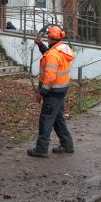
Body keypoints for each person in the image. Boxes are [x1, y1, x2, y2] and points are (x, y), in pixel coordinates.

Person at [27, 25, 75, 158]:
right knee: (58, 118)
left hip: (53, 92)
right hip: (61, 90)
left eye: (47, 37)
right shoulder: (62, 48)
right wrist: (40, 45)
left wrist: (41, 93)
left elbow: (50, 77)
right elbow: (48, 54)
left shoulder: (53, 54)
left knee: (46, 119)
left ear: (50, 38)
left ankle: (41, 149)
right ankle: (67, 145)